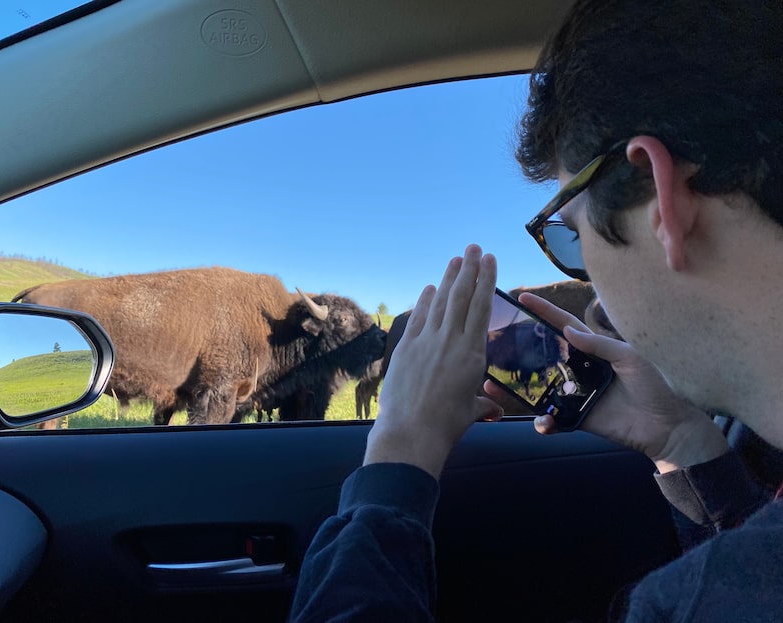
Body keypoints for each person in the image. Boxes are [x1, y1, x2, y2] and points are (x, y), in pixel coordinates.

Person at [288, 1, 783, 621]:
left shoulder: (687, 606)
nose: (594, 292)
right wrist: (685, 442)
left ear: (663, 200)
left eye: (570, 236)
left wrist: (396, 461)